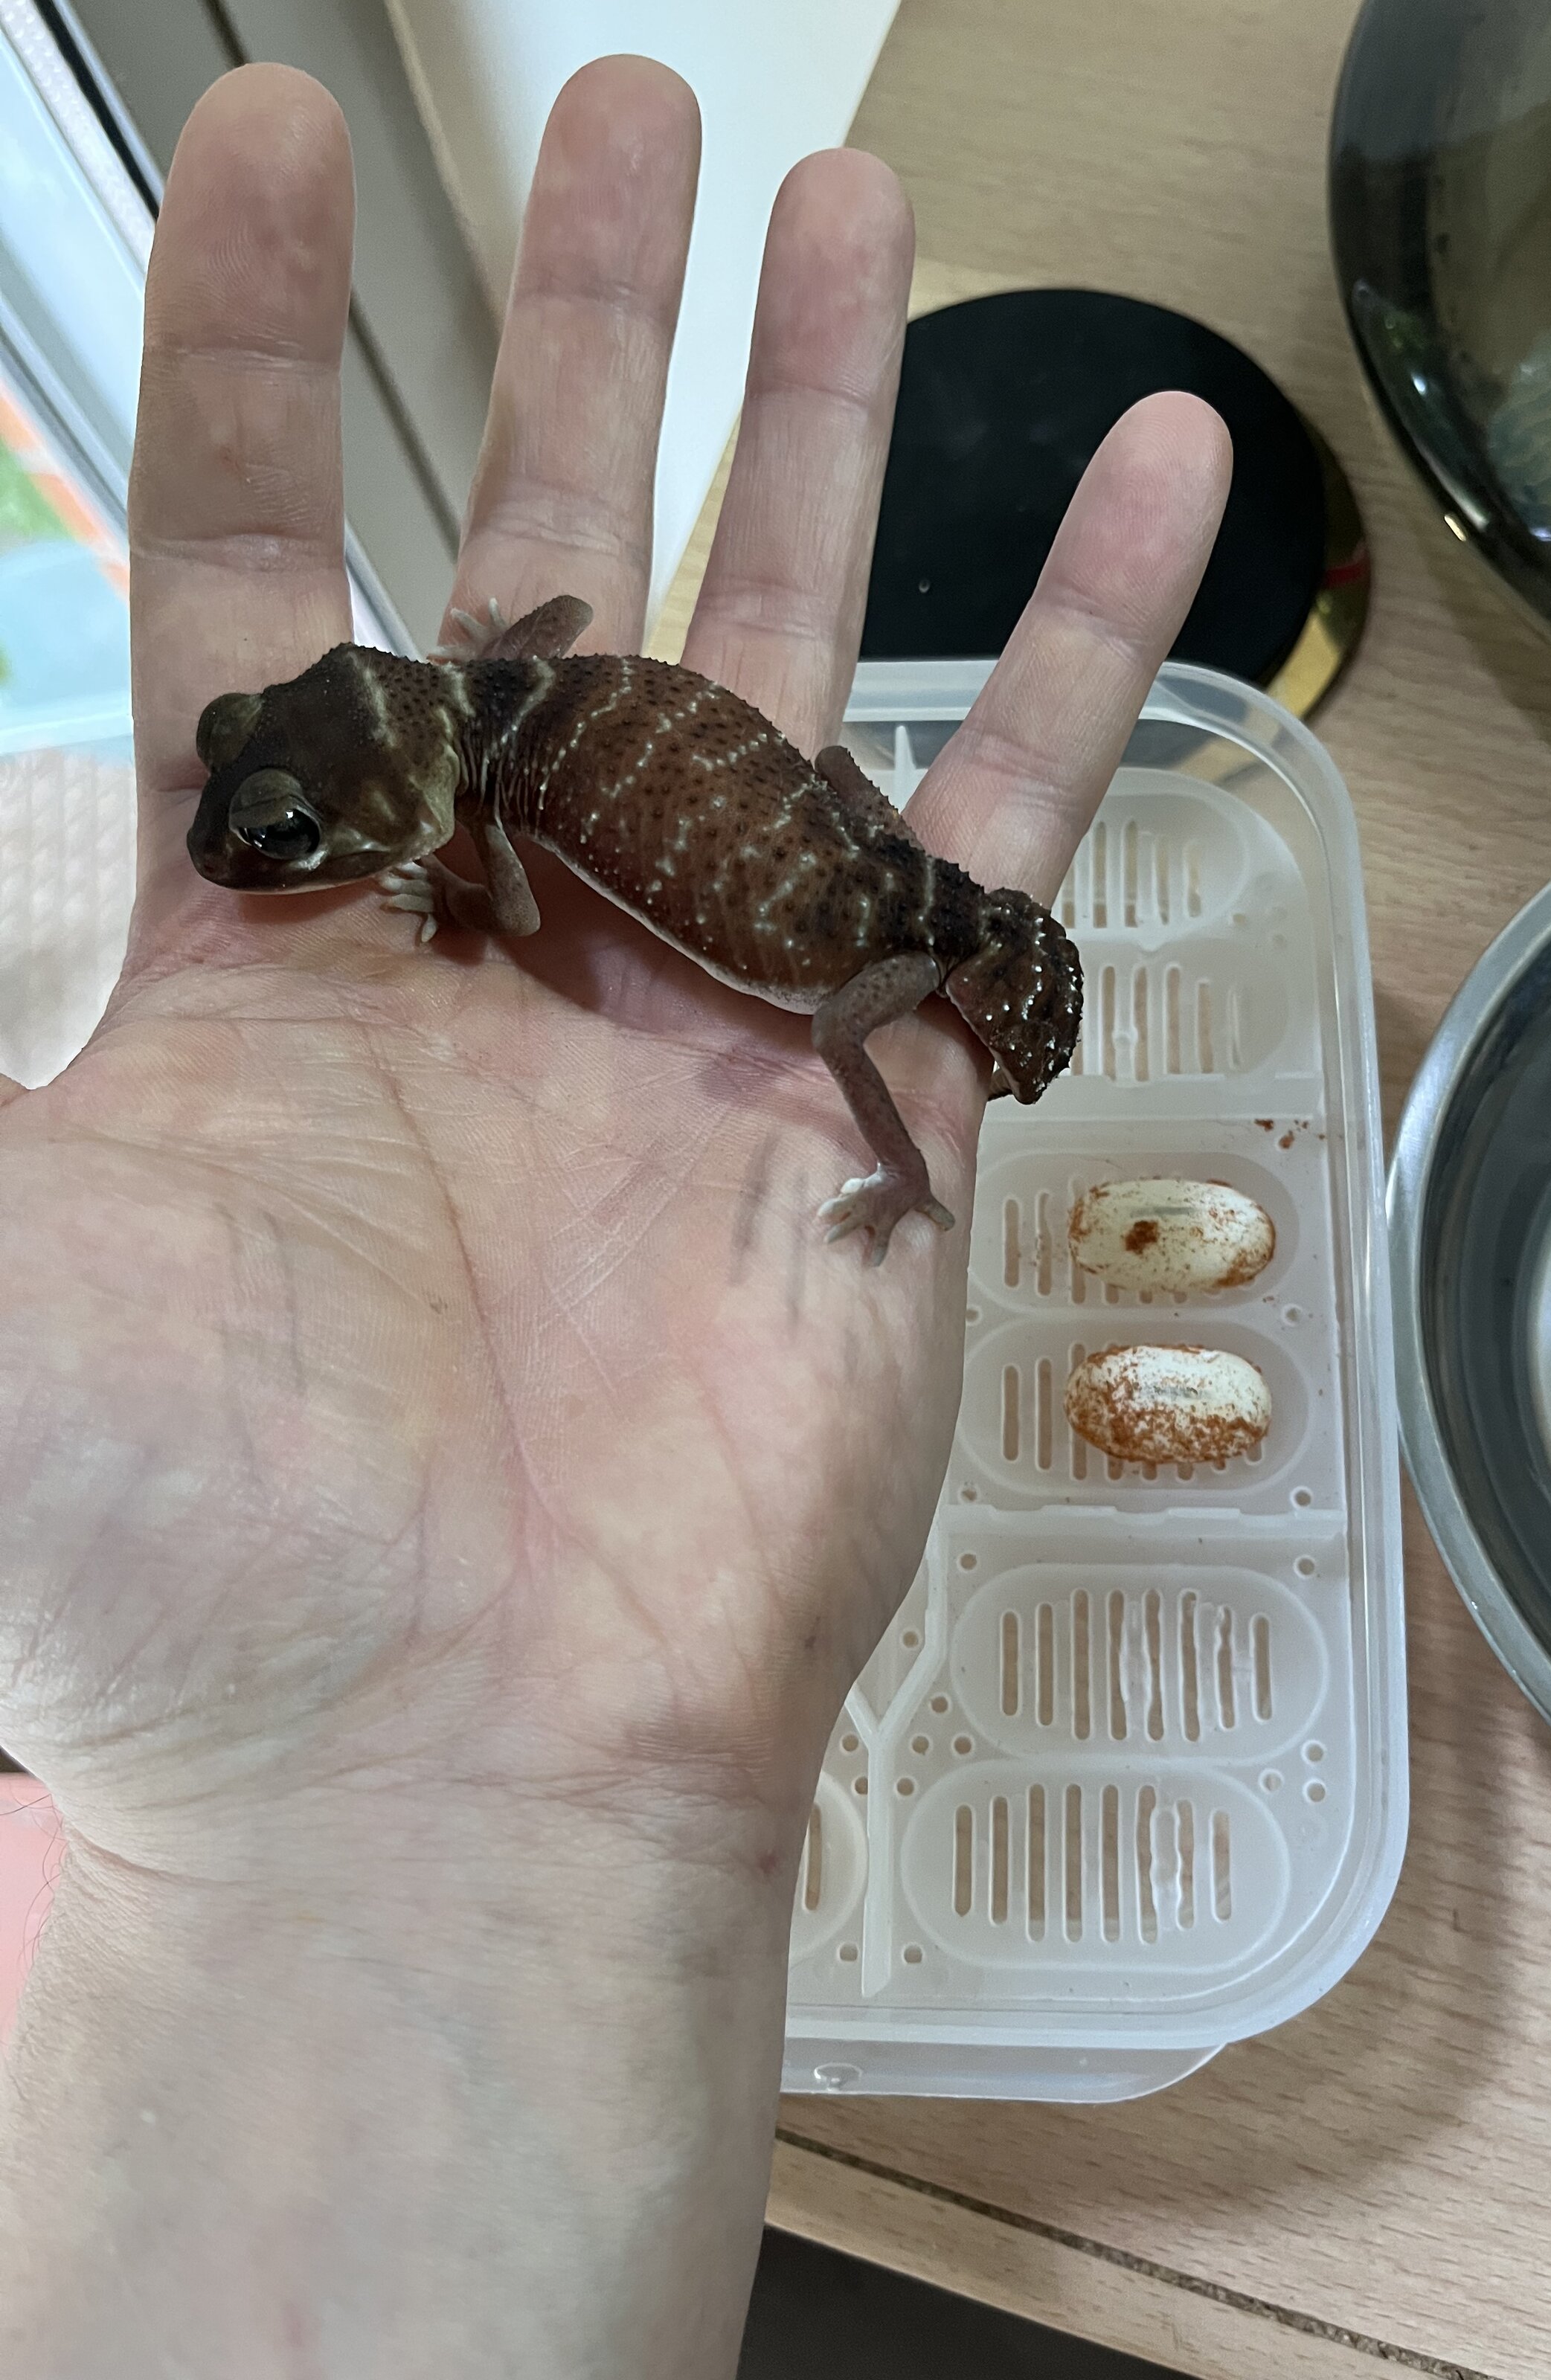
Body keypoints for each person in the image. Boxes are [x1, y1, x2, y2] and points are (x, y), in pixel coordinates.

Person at [0, 56, 1228, 2376]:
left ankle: (905, 1126)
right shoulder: (502, 691)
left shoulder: (489, 826)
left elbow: (489, 898)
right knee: (862, 933)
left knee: (860, 1038)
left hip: (863, 933)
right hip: (826, 846)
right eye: (266, 802)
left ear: (393, 792)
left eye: (290, 831)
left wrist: (889, 1161)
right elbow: (538, 664)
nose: (262, 848)